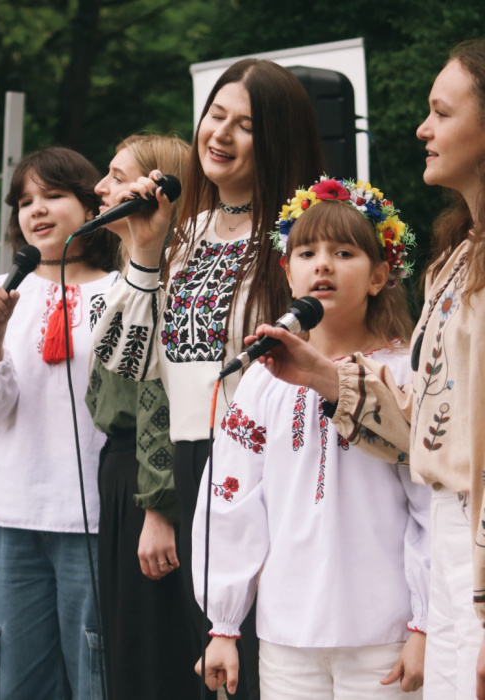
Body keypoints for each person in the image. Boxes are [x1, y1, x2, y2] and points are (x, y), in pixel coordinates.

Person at [244, 39, 485, 700]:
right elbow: (430, 435)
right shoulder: (458, 261)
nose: (423, 129)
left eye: (442, 112)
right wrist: (322, 377)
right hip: (450, 556)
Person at [90, 58, 324, 698]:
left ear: (277, 138)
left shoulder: (299, 240)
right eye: (215, 116)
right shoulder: (184, 234)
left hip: (268, 472)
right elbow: (128, 367)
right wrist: (146, 251)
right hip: (189, 466)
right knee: (188, 666)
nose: (220, 133)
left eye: (245, 124)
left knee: (254, 670)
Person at [193, 177, 431, 698]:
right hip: (286, 633)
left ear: (379, 275)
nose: (323, 264)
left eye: (344, 252)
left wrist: (424, 622)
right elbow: (232, 498)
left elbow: (430, 504)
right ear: (288, 271)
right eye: (307, 252)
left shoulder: (405, 377)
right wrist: (223, 625)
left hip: (385, 632)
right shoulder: (263, 378)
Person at [0, 147, 119, 700]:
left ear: (91, 205)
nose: (36, 210)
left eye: (53, 195)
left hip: (95, 520)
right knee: (17, 680)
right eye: (24, 201)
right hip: (11, 520)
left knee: (97, 677)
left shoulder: (124, 291)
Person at [86, 133, 196, 698]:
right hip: (121, 470)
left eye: (116, 175)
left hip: (153, 476)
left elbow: (161, 395)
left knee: (155, 649)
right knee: (129, 647)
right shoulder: (129, 277)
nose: (100, 187)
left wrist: (158, 504)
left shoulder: (177, 276)